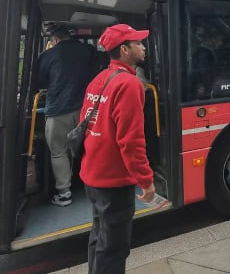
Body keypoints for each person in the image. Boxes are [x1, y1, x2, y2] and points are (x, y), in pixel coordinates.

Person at [79, 23, 160, 274]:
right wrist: (146, 181)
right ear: (124, 50)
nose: (143, 47)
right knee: (114, 248)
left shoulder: (99, 79)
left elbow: (84, 123)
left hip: (92, 175)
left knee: (99, 238)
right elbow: (131, 141)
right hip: (113, 181)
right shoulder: (129, 84)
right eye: (138, 43)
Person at [36, 26, 96, 207]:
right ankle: (93, 183)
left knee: (59, 151)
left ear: (54, 39)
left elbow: (40, 81)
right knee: (88, 147)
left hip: (58, 110)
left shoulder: (49, 55)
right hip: (86, 109)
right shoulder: (89, 51)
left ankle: (64, 193)